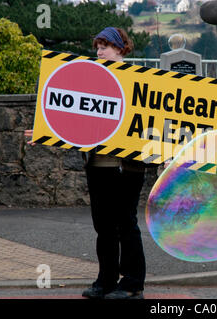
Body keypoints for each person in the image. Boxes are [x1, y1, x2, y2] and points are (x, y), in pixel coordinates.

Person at [25, 27, 149, 299]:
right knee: (103, 224)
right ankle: (105, 280)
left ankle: (132, 284)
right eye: (97, 46)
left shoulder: (140, 80)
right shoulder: (92, 79)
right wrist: (44, 131)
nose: (99, 51)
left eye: (105, 46)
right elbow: (76, 115)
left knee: (125, 222)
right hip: (99, 164)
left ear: (120, 48)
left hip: (129, 166)